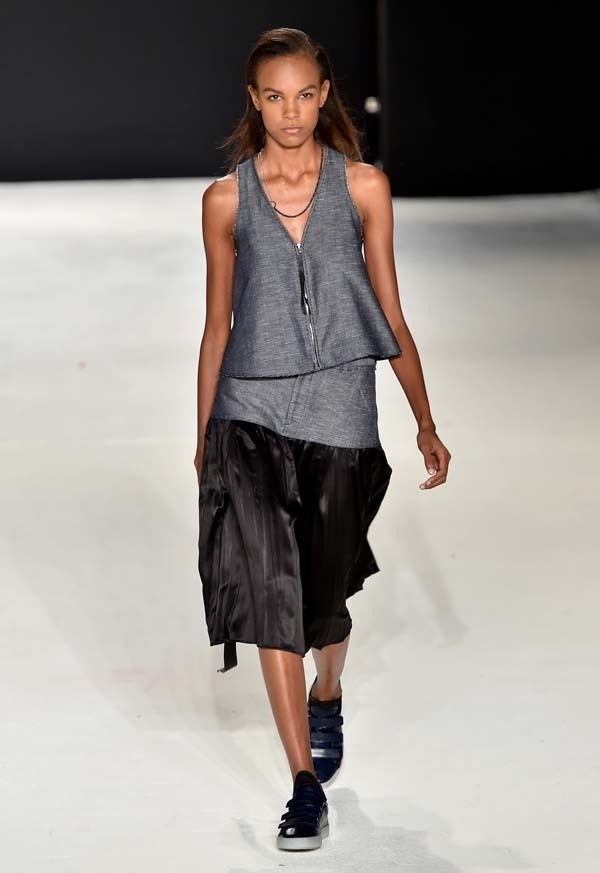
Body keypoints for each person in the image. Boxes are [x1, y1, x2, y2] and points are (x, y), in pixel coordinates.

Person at [194, 27, 451, 851]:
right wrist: (204, 441)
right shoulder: (225, 199)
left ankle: (327, 690)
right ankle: (304, 785)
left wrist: (424, 419)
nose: (291, 111)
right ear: (254, 100)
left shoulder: (365, 187)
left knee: (323, 602)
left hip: (341, 410)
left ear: (325, 95)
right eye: (275, 96)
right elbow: (216, 326)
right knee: (272, 594)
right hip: (250, 410)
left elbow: (390, 311)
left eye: (305, 94)